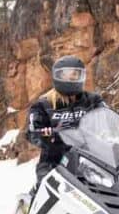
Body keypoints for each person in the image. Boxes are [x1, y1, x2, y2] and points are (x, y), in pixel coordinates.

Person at [26, 55, 105, 190]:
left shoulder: (93, 100)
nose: (70, 79)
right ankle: (34, 205)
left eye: (74, 75)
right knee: (46, 188)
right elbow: (31, 131)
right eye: (65, 75)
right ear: (57, 77)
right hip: (54, 161)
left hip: (91, 160)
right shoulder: (43, 104)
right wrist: (47, 135)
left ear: (82, 76)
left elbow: (107, 118)